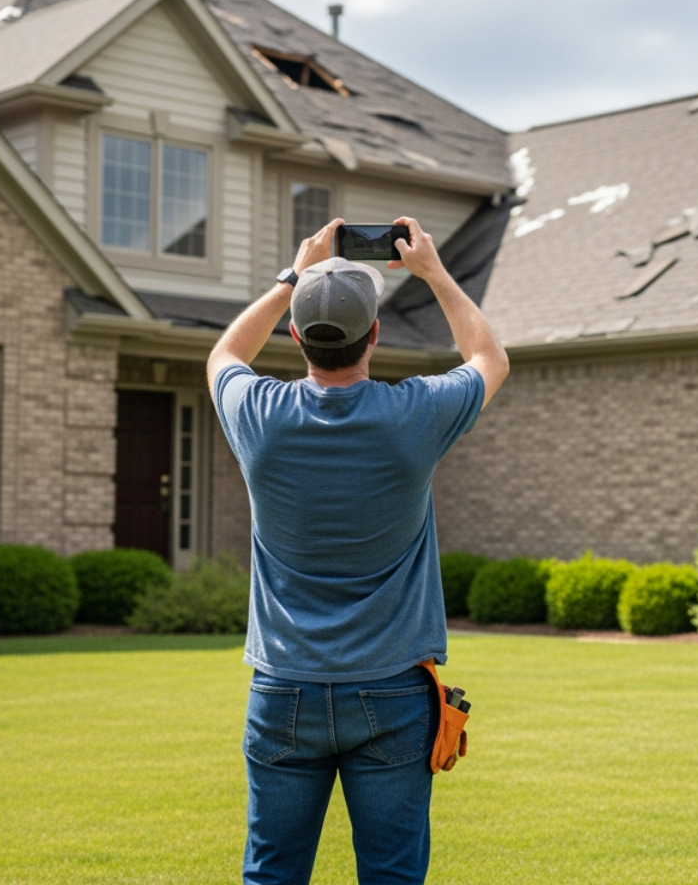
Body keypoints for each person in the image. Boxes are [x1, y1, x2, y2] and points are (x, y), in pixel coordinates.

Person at [206, 215, 509, 885]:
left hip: (283, 689)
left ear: (297, 336)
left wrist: (294, 276)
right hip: (394, 690)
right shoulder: (415, 414)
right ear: (374, 334)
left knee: (271, 876)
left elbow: (223, 355)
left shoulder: (259, 414)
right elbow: (489, 359)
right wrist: (432, 272)